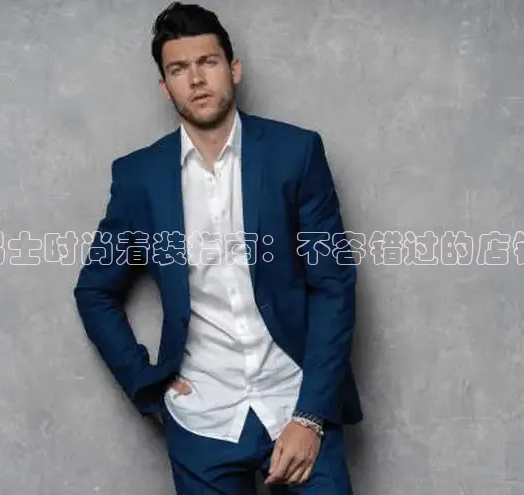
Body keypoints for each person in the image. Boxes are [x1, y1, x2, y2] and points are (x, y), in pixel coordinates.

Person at [73, 2, 363, 493]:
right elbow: (95, 290)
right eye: (178, 69)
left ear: (234, 69)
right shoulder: (139, 177)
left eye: (207, 62)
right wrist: (147, 384)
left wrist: (311, 415)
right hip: (202, 421)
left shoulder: (295, 153)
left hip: (296, 403)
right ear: (165, 87)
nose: (196, 79)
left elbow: (332, 285)